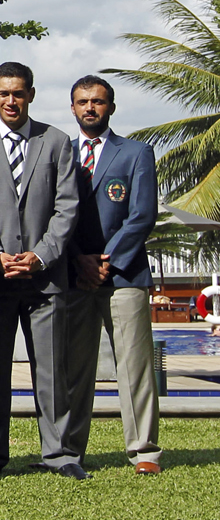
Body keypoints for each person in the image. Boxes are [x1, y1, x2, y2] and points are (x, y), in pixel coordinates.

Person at [0, 62, 81, 478]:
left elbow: (67, 207)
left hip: (45, 278)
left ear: (31, 94)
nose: (12, 100)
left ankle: (59, 455)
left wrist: (41, 255)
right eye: (4, 93)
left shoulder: (58, 140)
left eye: (19, 92)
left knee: (51, 369)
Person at [62, 75, 161, 475]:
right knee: (74, 369)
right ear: (72, 108)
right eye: (83, 102)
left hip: (124, 277)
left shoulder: (136, 153)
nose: (90, 108)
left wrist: (106, 260)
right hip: (74, 276)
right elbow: (53, 217)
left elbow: (142, 216)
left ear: (111, 107)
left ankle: (144, 452)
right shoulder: (60, 153)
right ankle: (68, 452)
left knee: (134, 367)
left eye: (98, 102)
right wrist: (77, 260)